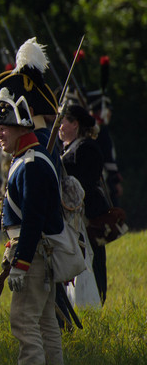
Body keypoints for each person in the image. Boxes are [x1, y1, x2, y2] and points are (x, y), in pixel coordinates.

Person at [0, 86, 65, 365]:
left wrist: (21, 264)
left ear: (21, 129)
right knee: (46, 321)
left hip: (32, 255)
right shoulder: (27, 159)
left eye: (5, 128)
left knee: (23, 321)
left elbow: (33, 220)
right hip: (36, 252)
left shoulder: (31, 164)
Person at [59, 103, 110, 304]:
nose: (60, 126)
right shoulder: (69, 148)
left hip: (86, 214)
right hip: (73, 214)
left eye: (63, 122)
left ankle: (95, 299)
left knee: (93, 260)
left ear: (75, 124)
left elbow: (85, 184)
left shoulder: (86, 147)